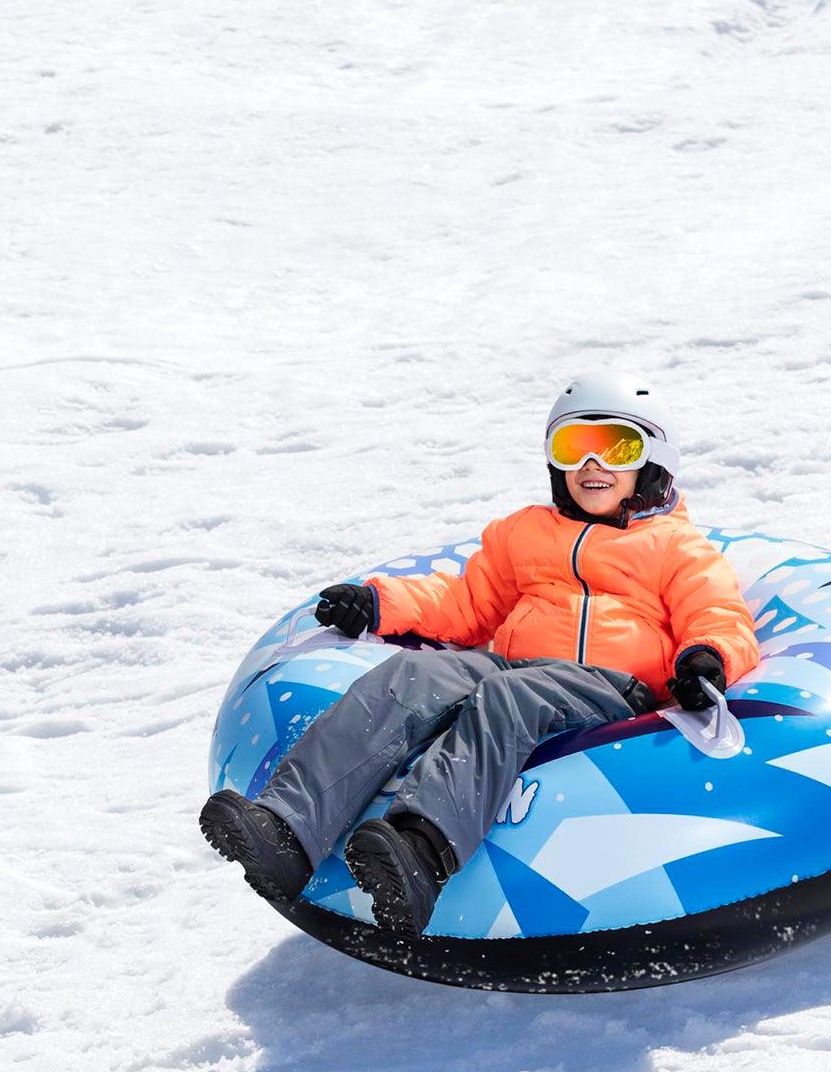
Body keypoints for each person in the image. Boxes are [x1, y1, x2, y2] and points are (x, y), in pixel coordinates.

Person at [198, 370, 759, 938]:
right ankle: (286, 832)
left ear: (653, 460)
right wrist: (379, 604)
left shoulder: (676, 546)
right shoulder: (524, 533)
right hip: (515, 667)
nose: (592, 464)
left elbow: (716, 612)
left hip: (610, 686)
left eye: (616, 447)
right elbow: (465, 602)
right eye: (572, 446)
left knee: (508, 693)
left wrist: (706, 657)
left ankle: (421, 852)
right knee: (412, 674)